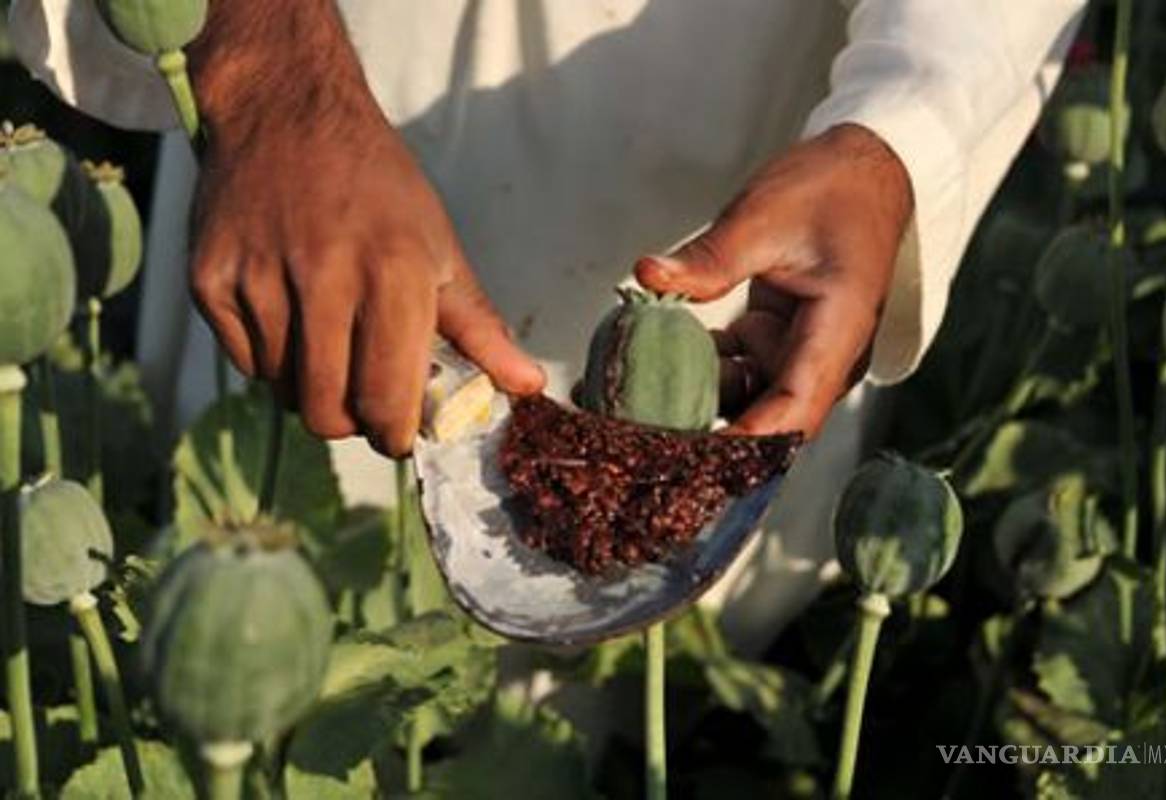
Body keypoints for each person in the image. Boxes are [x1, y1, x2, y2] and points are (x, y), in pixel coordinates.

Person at [10, 0, 1085, 653]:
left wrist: (904, 131)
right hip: (302, 161)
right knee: (260, 617)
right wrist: (265, 65)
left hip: (742, 194)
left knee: (689, 675)